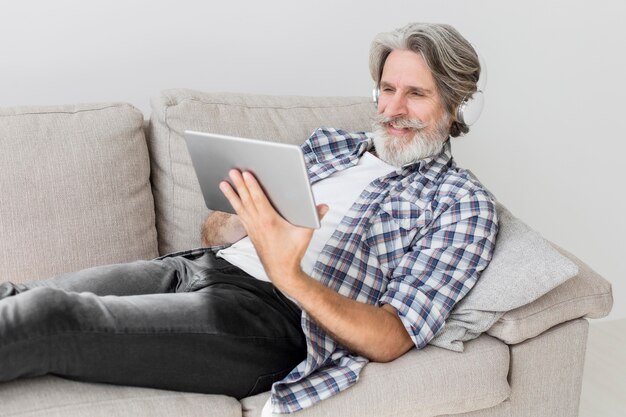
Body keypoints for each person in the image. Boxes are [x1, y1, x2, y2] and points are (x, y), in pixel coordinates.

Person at [0, 23, 498, 414]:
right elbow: (215, 234)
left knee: (49, 320)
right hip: (200, 267)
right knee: (20, 295)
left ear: (457, 107)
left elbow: (392, 337)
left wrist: (289, 273)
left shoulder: (462, 203)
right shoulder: (332, 145)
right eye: (386, 89)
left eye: (416, 94)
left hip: (270, 320)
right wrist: (239, 219)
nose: (393, 108)